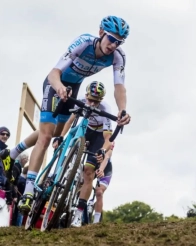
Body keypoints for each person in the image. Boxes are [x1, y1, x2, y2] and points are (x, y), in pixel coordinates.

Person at [6, 15, 131, 214]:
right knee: (46, 136)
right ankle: (27, 186)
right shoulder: (83, 43)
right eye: (111, 39)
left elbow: (119, 87)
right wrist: (59, 87)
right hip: (56, 84)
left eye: (119, 42)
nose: (114, 45)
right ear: (101, 33)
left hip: (73, 87)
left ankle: (21, 155)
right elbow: (53, 73)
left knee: (57, 132)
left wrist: (122, 110)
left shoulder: (118, 56)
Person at [49, 81, 113, 227]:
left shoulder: (105, 110)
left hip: (98, 135)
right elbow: (71, 120)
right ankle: (62, 169)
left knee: (88, 171)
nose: (91, 104)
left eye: (95, 102)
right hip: (85, 128)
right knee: (69, 139)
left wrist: (102, 150)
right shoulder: (81, 102)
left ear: (100, 100)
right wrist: (61, 136)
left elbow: (108, 139)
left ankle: (78, 213)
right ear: (85, 95)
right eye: (89, 100)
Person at [92, 141, 115, 224]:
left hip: (105, 169)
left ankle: (96, 221)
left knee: (99, 192)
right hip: (91, 167)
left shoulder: (109, 141)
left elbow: (107, 157)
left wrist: (101, 169)